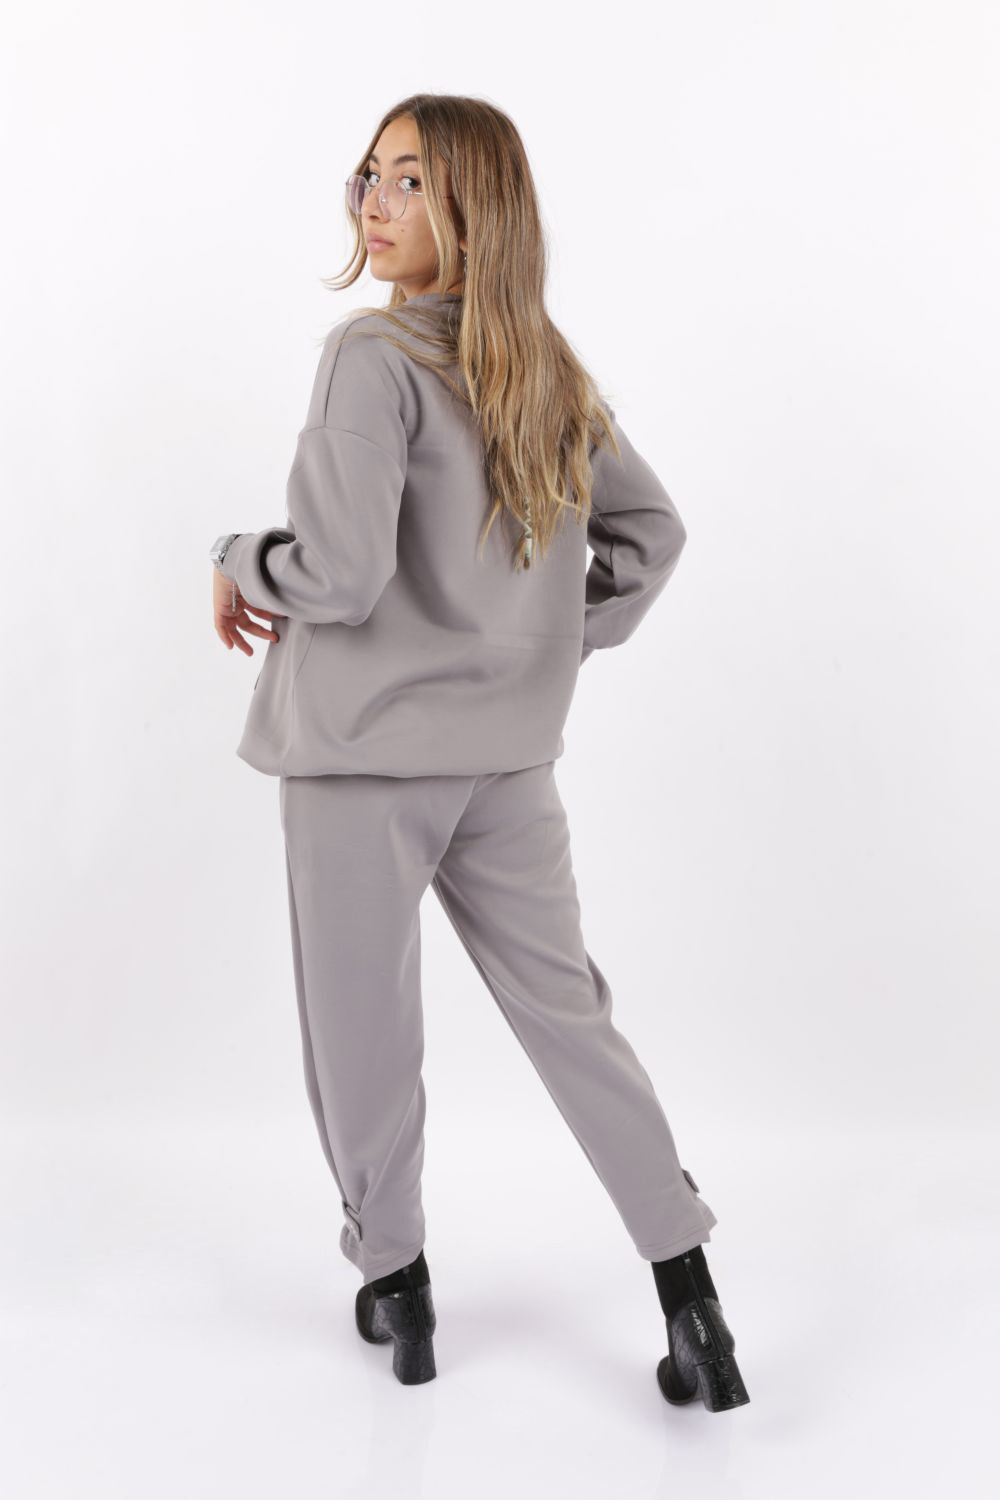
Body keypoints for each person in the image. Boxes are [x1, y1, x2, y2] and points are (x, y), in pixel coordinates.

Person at [209, 94, 750, 1412]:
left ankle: (397, 1287)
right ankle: (692, 1298)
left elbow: (336, 576)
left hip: (358, 761)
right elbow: (652, 536)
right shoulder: (541, 364)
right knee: (573, 1018)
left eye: (410, 178)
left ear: (474, 205)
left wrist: (237, 558)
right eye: (368, 174)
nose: (374, 200)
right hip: (507, 763)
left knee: (363, 1031)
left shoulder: (370, 357)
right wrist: (535, 645)